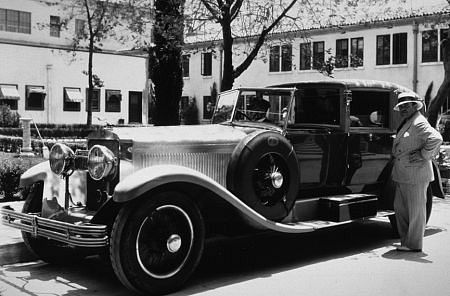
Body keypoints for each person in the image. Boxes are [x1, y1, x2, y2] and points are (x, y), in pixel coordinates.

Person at [391, 91, 442, 252]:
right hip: (404, 174)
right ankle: (406, 242)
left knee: (416, 211)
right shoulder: (410, 121)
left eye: (406, 106)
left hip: (416, 175)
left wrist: (423, 154)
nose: (403, 109)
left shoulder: (419, 122)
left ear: (415, 106)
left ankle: (413, 245)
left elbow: (436, 138)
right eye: (401, 107)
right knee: (401, 209)